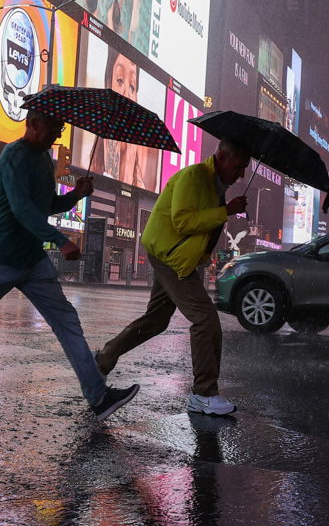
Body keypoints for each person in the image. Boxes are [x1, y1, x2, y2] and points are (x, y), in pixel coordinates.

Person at [0, 110, 139, 420]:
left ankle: (98, 397)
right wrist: (60, 240)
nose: (58, 134)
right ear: (32, 123)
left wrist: (75, 194)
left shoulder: (44, 159)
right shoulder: (13, 155)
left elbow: (46, 206)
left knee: (66, 320)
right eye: (54, 126)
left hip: (32, 261)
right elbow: (22, 210)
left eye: (61, 127)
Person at [95, 139, 252, 416]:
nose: (240, 175)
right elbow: (182, 221)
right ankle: (204, 394)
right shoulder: (194, 177)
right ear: (222, 157)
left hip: (178, 257)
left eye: (244, 169)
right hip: (170, 256)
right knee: (205, 320)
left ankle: (102, 361)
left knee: (155, 321)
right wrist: (225, 211)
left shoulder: (215, 185)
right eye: (238, 167)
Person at [88, 51, 149, 189]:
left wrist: (128, 163)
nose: (126, 94)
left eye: (132, 87)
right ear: (108, 84)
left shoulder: (140, 186)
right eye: (120, 80)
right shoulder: (89, 168)